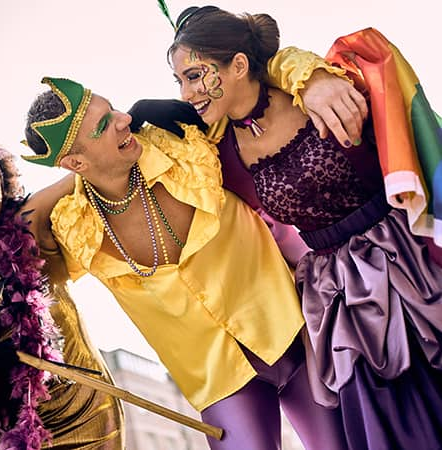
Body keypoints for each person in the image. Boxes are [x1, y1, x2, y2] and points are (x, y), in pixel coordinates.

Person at [161, 6, 442, 449]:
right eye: (179, 80)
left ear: (238, 65)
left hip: (408, 264)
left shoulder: (320, 87)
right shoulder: (220, 156)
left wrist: (305, 72)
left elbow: (379, 77)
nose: (187, 91)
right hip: (337, 299)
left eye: (195, 75)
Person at [20, 76, 348, 450]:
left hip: (294, 332)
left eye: (113, 109)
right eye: (103, 124)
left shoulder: (181, 143)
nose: (124, 119)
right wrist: (78, 178)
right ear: (74, 161)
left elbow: (249, 86)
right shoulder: (74, 224)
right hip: (220, 384)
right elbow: (10, 230)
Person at [0, 126, 125, 450]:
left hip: (87, 412)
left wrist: (120, 125)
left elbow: (82, 174)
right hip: (18, 431)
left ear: (3, 197)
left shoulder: (27, 229)